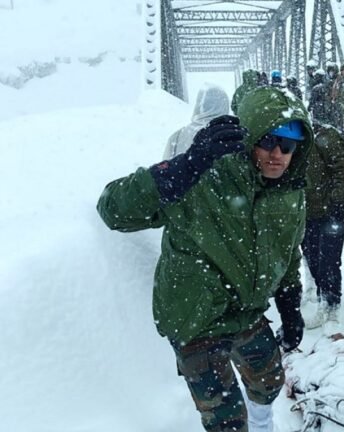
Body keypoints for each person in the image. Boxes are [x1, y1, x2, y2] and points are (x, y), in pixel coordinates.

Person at [97, 86, 314, 432]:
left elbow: (287, 252)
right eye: (268, 141)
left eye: (288, 145)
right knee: (226, 420)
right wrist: (182, 168)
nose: (278, 154)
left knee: (270, 381)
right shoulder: (203, 177)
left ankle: (263, 425)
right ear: (249, 138)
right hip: (196, 315)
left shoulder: (289, 193)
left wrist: (290, 303)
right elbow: (113, 209)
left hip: (245, 309)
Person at [302, 120, 344, 329]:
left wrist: (336, 203)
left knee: (329, 261)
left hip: (332, 212)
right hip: (308, 213)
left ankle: (332, 307)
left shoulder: (325, 136)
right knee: (311, 257)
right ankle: (322, 297)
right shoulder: (290, 139)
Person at [163, 84, 229, 159]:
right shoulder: (231, 136)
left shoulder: (176, 137)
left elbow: (165, 167)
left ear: (199, 104)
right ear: (225, 105)